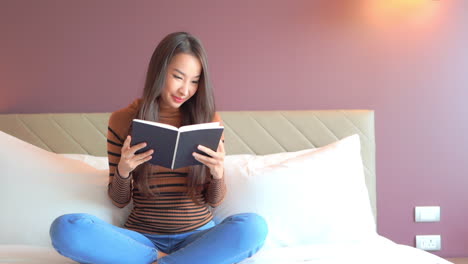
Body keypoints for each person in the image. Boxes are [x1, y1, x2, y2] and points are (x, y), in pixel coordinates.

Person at [49, 32, 268, 264]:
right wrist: (124, 170)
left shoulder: (209, 119)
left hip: (198, 238)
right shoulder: (123, 120)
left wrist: (217, 173)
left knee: (253, 227)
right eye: (178, 77)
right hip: (142, 241)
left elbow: (214, 201)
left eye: (194, 81)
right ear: (159, 71)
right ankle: (169, 259)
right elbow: (118, 200)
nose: (185, 90)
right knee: (66, 228)